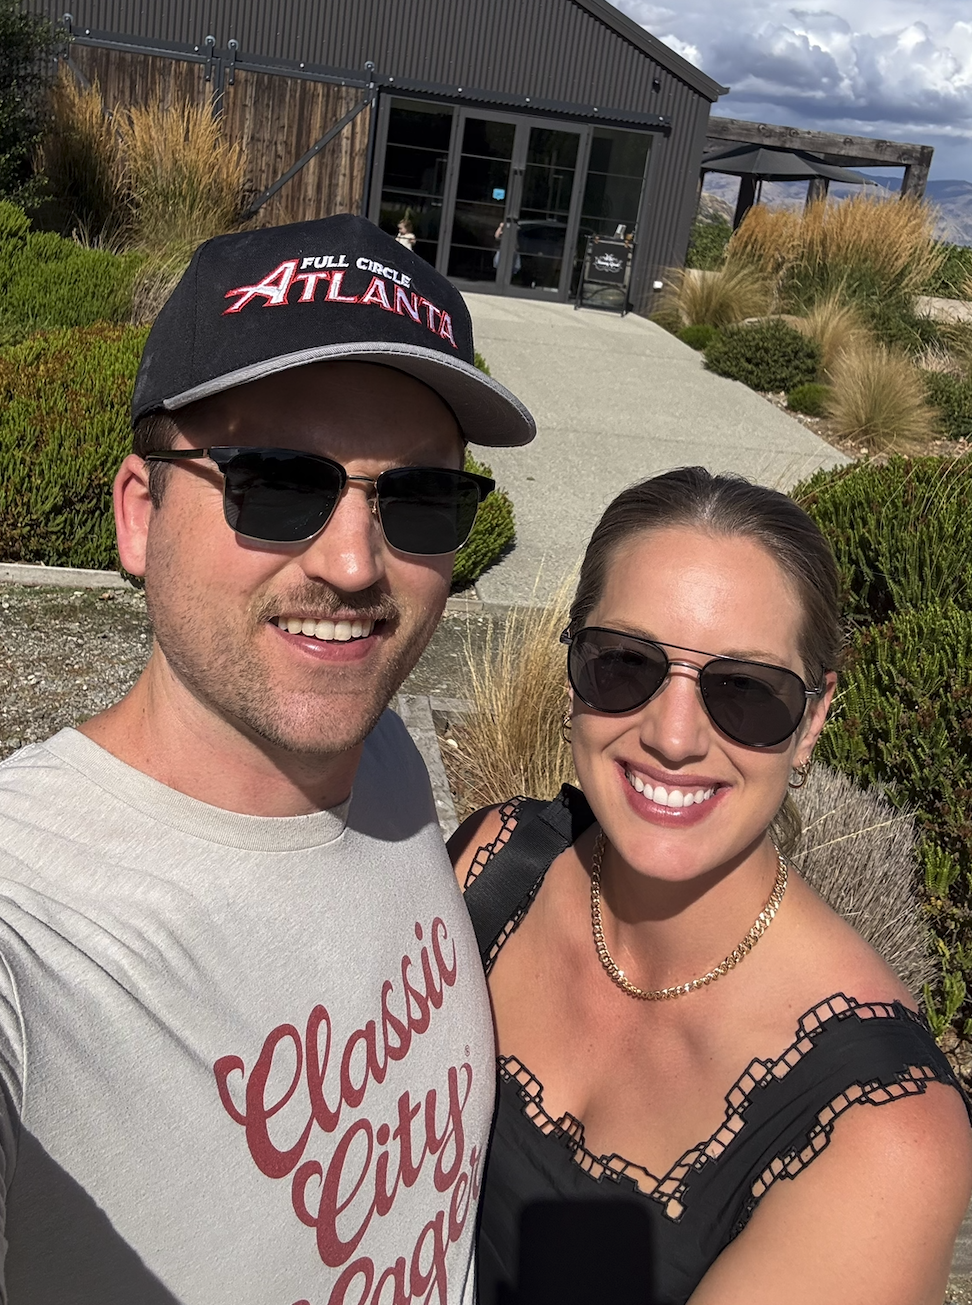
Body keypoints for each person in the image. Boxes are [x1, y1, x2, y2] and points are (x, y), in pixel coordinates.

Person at [0, 212, 535, 1304]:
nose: (354, 564)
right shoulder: (38, 917)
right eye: (277, 480)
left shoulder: (381, 759)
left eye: (421, 499)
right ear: (139, 514)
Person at [450, 467, 972, 1305]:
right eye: (623, 664)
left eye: (745, 693)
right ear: (573, 666)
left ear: (812, 721)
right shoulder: (491, 865)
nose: (674, 735)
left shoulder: (881, 1135)